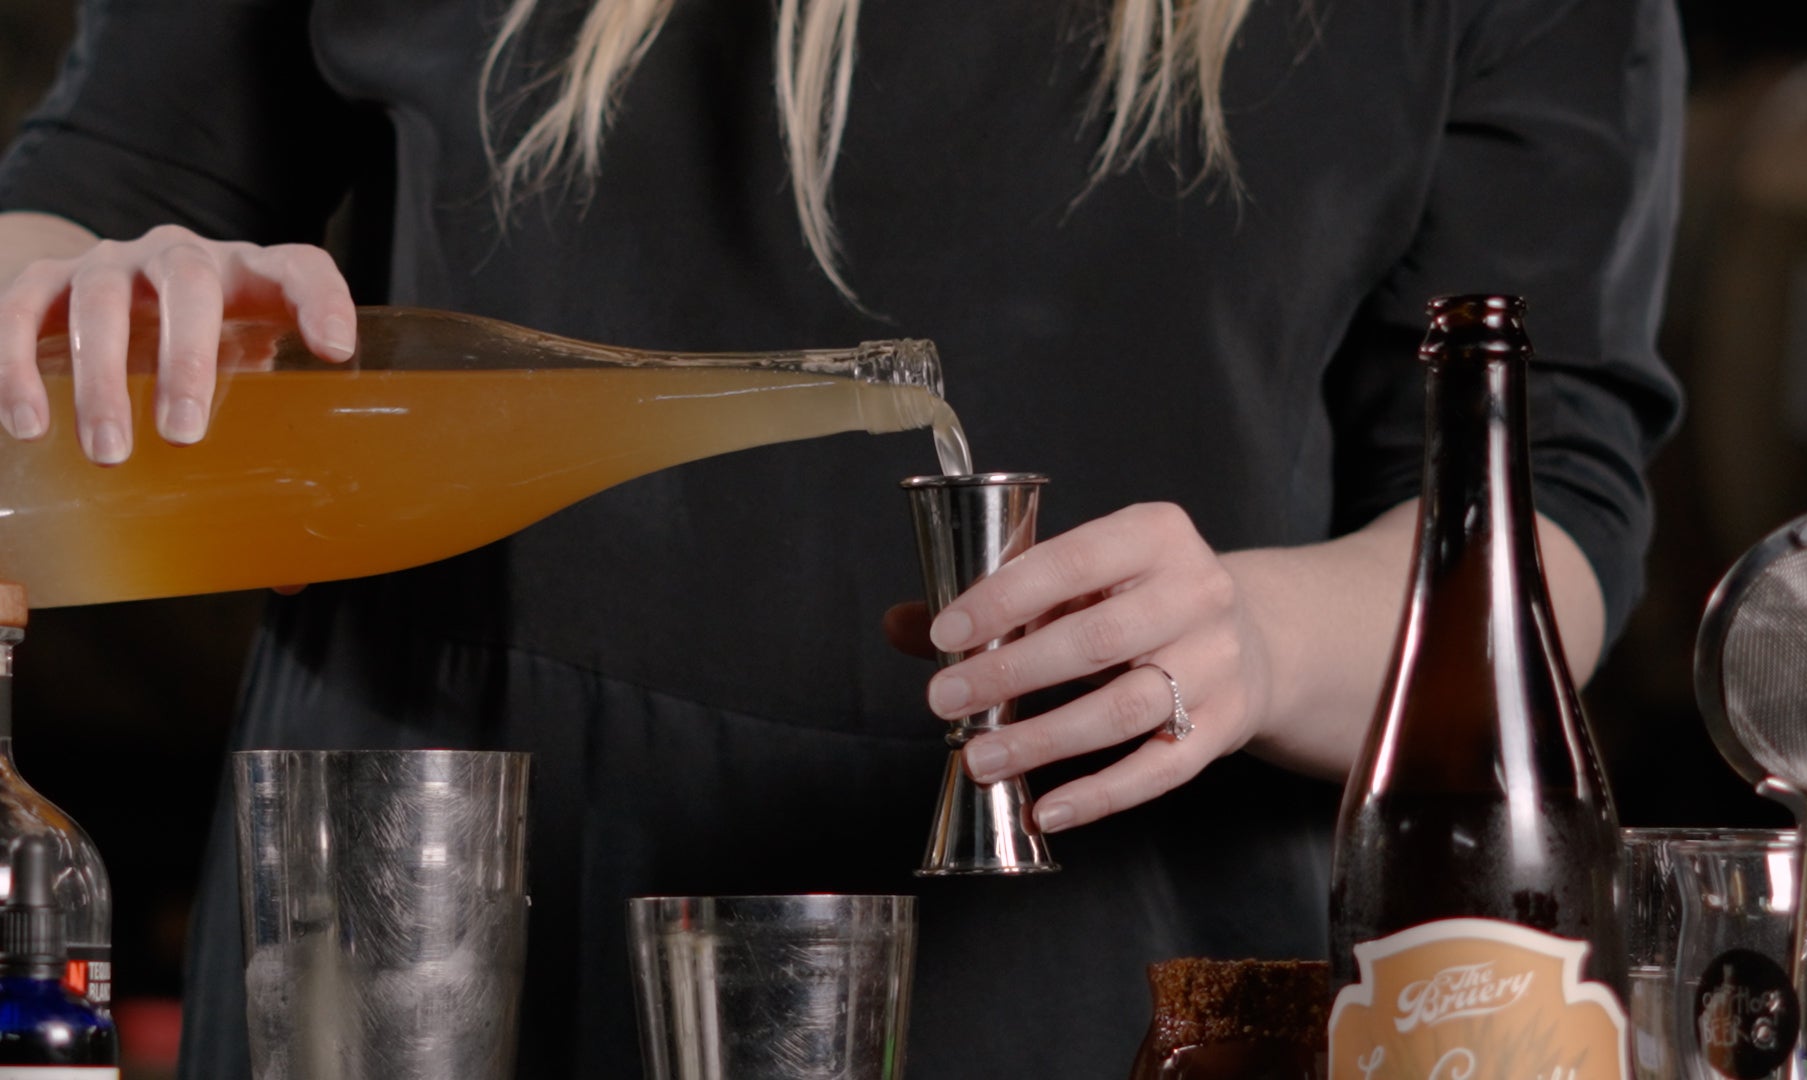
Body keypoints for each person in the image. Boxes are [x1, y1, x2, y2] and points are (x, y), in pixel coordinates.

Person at [0, 0, 1686, 1075]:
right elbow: (67, 200)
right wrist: (85, 301)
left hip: (1091, 970)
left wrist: (1258, 638)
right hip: (428, 933)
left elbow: (1552, 511)